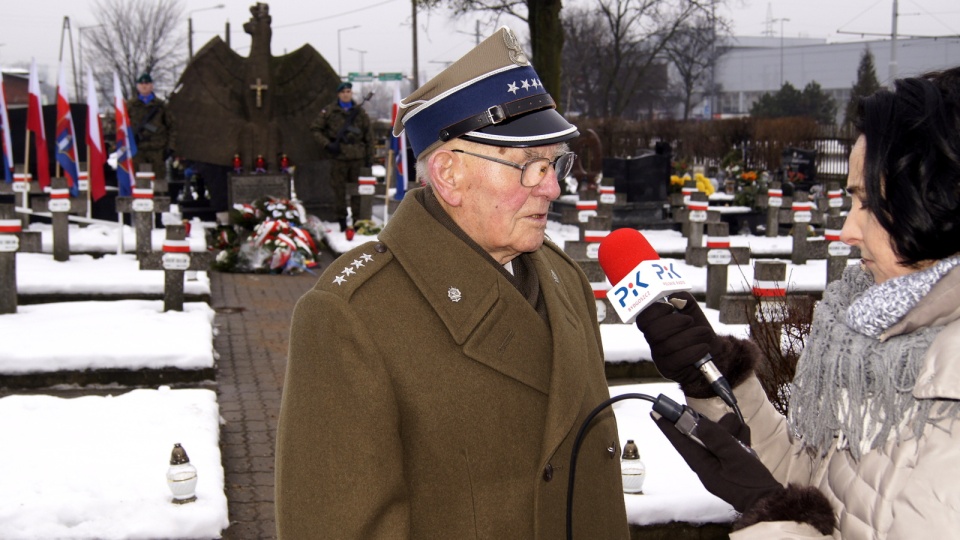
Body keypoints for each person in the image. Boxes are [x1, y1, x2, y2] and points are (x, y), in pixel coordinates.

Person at [276, 27, 629, 539]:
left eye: (556, 164)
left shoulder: (563, 278)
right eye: (529, 166)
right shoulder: (351, 316)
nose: (552, 187)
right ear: (448, 174)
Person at [639, 66, 960, 538]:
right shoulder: (866, 339)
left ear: (939, 201)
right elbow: (820, 488)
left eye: (867, 203)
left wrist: (769, 515)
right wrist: (713, 377)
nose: (847, 231)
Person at [310, 80, 375, 231]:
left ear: (351, 93)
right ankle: (342, 221)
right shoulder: (329, 111)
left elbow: (369, 137)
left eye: (348, 92)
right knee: (339, 191)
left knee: (358, 191)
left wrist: (370, 159)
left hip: (357, 158)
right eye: (343, 92)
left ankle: (358, 222)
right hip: (338, 157)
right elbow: (315, 129)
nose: (346, 95)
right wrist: (327, 144)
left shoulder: (360, 112)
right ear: (339, 94)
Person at [126, 73, 176, 179]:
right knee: (139, 183)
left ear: (152, 86)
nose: (144, 86)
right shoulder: (130, 105)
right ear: (137, 86)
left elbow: (172, 127)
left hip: (157, 150)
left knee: (159, 184)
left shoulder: (161, 106)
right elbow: (120, 126)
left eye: (147, 83)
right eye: (141, 84)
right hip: (137, 150)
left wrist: (170, 148)